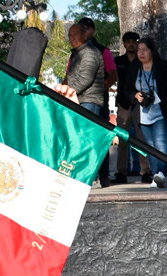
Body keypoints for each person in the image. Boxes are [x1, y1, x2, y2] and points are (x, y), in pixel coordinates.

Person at [121, 37, 167, 188]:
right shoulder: (135, 67)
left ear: (152, 51)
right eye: (139, 50)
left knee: (160, 142)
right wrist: (135, 95)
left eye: (145, 50)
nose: (141, 53)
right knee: (149, 145)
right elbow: (126, 89)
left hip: (161, 110)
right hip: (143, 113)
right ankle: (155, 174)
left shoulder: (162, 65)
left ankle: (161, 172)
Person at [78, 17, 117, 188]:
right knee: (83, 139)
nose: (84, 32)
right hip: (78, 101)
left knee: (99, 137)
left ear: (92, 30)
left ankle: (104, 176)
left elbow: (113, 75)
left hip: (98, 103)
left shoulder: (103, 51)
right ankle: (87, 175)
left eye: (86, 29)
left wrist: (99, 89)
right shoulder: (76, 52)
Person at [113, 31, 152, 184]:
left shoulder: (142, 60)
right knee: (122, 139)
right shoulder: (119, 61)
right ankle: (121, 172)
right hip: (123, 103)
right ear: (123, 43)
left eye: (134, 41)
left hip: (140, 105)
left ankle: (145, 171)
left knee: (141, 139)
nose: (131, 44)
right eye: (128, 41)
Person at [63, 24, 104, 116]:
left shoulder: (90, 52)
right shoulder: (78, 53)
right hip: (79, 100)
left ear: (84, 35)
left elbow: (85, 79)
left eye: (75, 34)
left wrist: (68, 93)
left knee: (85, 129)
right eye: (70, 35)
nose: (72, 38)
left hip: (88, 102)